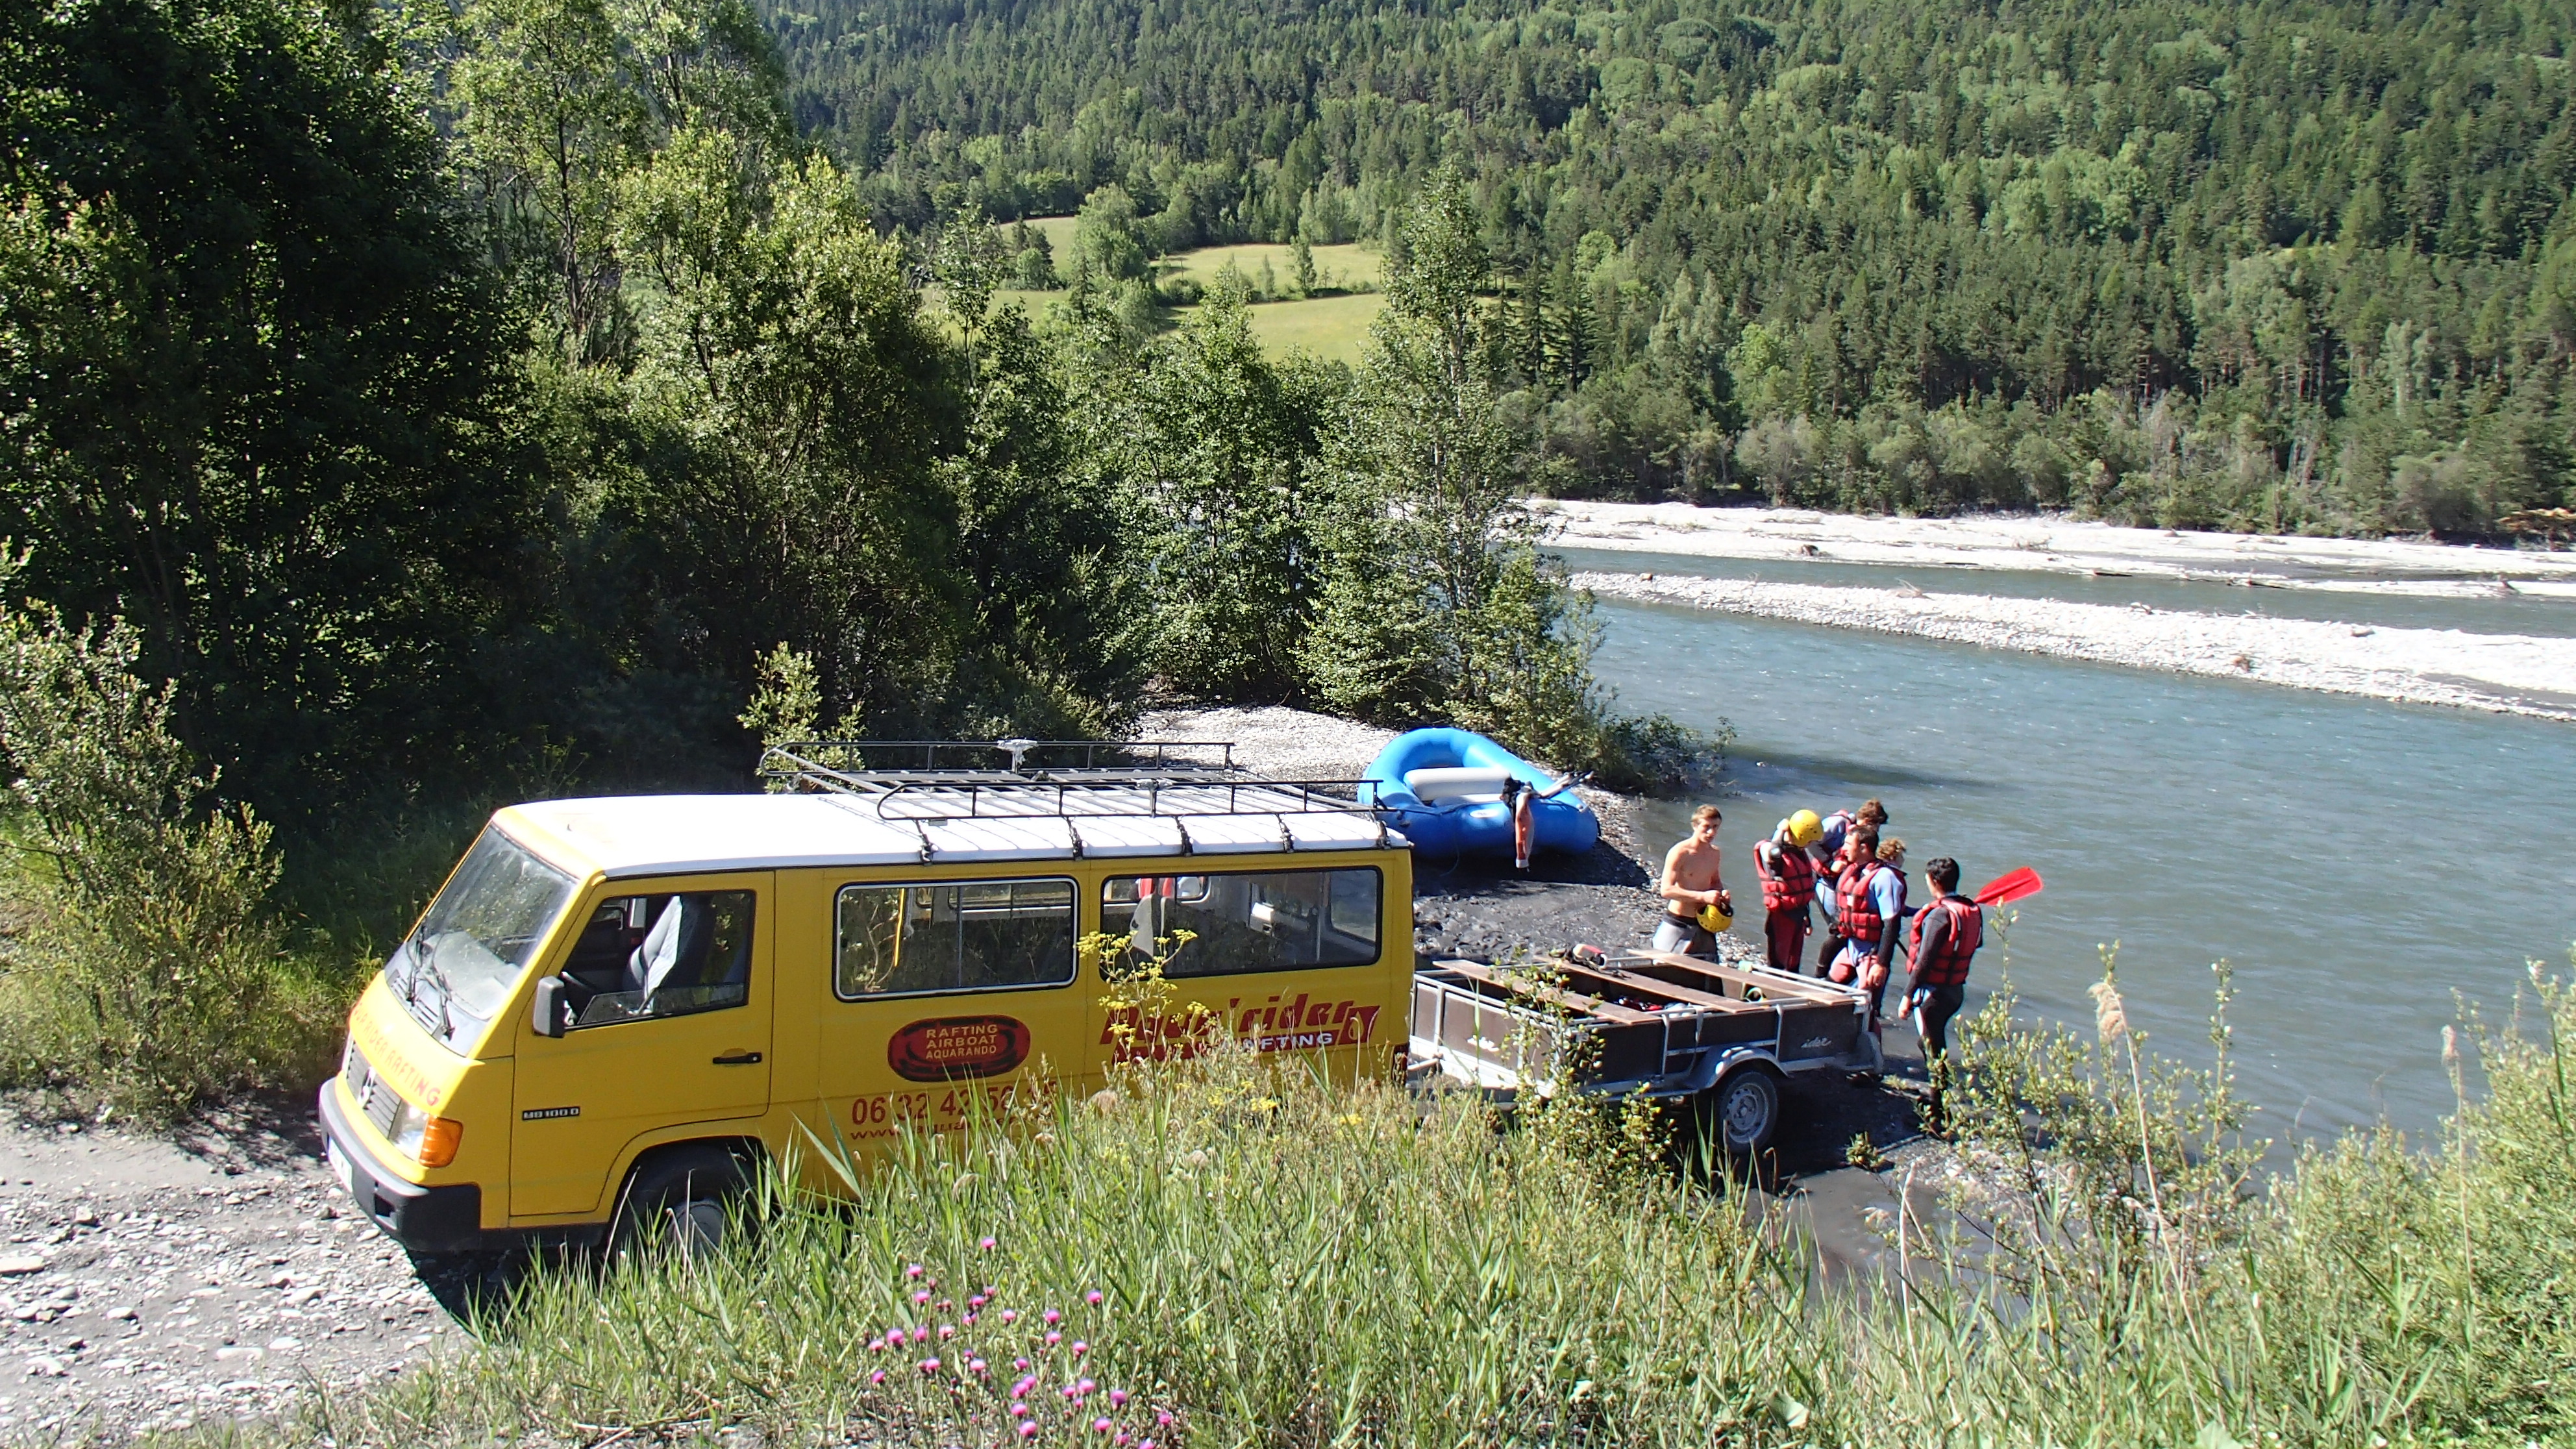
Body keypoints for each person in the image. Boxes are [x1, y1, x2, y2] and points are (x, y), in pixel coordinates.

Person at [1903, 856, 1983, 1129]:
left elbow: (1925, 959)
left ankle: (1938, 1115)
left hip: (1933, 994)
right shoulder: (1971, 910)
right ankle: (1938, 1102)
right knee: (1933, 1045)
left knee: (1931, 1049)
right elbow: (1977, 942)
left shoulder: (1939, 915)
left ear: (1934, 881)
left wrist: (1907, 995)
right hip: (1955, 991)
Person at [1831, 837, 1909, 1020]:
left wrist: (1881, 964)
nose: (1844, 848)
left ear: (1864, 848)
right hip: (1852, 947)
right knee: (1829, 988)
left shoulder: (1885, 878)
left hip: (1871, 952)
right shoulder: (1855, 871)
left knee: (1867, 1009)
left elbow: (1892, 923)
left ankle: (1871, 1033)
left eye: (1848, 844)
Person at [1810, 799, 1888, 972]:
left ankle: (1840, 970)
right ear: (1867, 821)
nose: (1877, 830)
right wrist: (1830, 863)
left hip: (1841, 885)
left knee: (1848, 928)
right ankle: (1821, 972)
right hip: (1825, 882)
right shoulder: (1838, 824)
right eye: (1877, 825)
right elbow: (1813, 842)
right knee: (1838, 928)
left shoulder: (1863, 837)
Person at [1653, 805, 1731, 956]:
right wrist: (1703, 897)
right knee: (1658, 963)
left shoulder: (1714, 853)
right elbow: (1666, 890)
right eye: (1706, 827)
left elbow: (1715, 881)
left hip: (1705, 922)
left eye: (1716, 827)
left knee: (1707, 968)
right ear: (1695, 826)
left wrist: (1722, 895)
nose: (1711, 832)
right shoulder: (1680, 852)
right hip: (1679, 921)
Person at [1752, 810, 1822, 973]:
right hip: (1781, 916)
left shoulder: (1799, 853)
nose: (1810, 845)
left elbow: (1802, 892)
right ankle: (1770, 986)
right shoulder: (1772, 849)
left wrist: (1807, 918)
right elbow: (1772, 854)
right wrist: (1780, 831)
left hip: (1798, 914)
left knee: (1793, 964)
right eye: (1809, 840)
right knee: (1777, 963)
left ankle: (1790, 985)